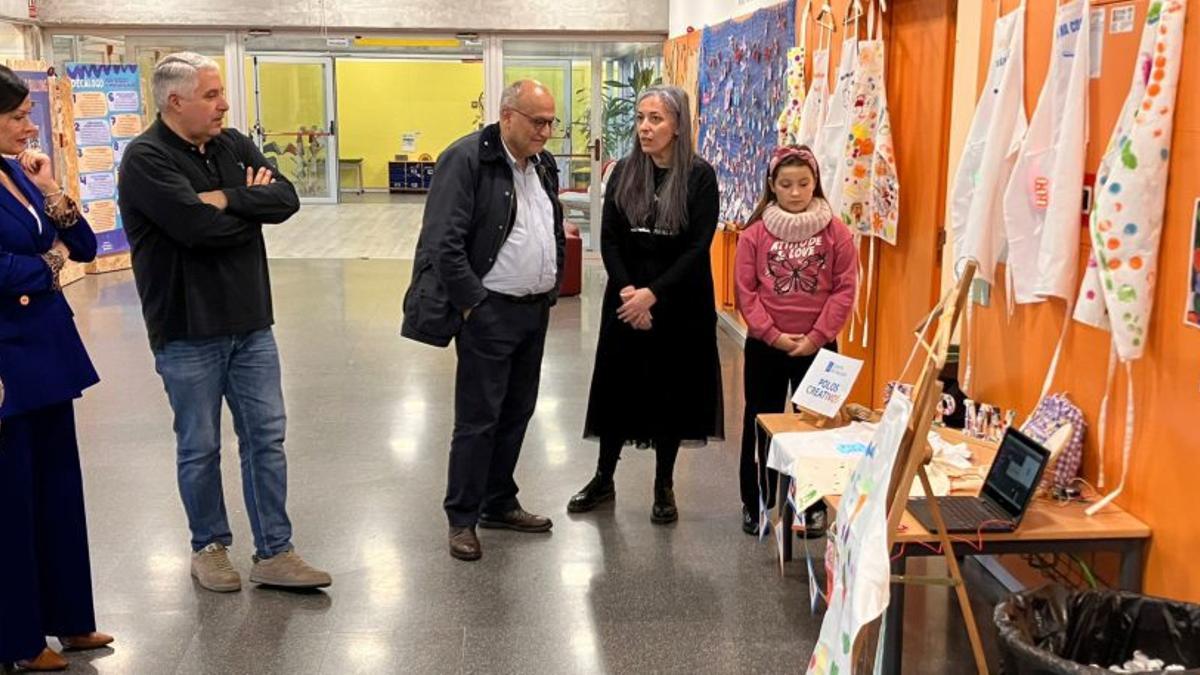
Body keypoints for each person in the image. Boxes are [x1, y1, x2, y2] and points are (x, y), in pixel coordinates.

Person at [118, 52, 330, 592]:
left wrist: (226, 199)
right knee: (200, 445)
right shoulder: (145, 159)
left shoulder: (231, 143)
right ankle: (208, 547)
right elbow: (196, 230)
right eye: (211, 95)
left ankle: (275, 552)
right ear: (175, 101)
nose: (224, 104)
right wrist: (247, 207)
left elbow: (284, 199)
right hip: (187, 330)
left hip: (251, 322)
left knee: (267, 438)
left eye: (221, 94)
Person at [402, 80, 565, 562]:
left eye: (551, 122)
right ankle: (462, 517)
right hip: (489, 311)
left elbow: (548, 226)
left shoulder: (543, 164)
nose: (546, 131)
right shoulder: (467, 158)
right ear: (507, 116)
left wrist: (549, 287)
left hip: (532, 310)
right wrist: (475, 304)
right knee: (478, 419)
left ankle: (499, 501)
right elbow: (442, 241)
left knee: (517, 412)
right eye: (538, 121)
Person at [0, 65, 114, 671]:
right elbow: (7, 271)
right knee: (11, 503)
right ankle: (18, 640)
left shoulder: (19, 172)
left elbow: (88, 247)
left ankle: (70, 620)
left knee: (57, 493)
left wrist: (51, 193)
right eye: (16, 116)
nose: (28, 125)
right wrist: (48, 261)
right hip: (7, 363)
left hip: (47, 355)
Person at [568, 85, 723, 524]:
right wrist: (628, 293)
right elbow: (610, 238)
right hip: (626, 299)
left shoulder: (699, 176)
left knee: (670, 393)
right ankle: (603, 477)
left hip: (679, 302)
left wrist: (652, 295)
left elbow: (697, 247)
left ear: (678, 126)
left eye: (655, 119)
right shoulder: (622, 173)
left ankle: (663, 485)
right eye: (640, 118)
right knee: (617, 389)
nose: (644, 128)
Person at [733, 145, 856, 536]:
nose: (796, 192)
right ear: (772, 186)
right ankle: (756, 503)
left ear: (816, 182)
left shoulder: (837, 233)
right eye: (786, 185)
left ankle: (812, 505)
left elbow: (844, 289)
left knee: (817, 429)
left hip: (818, 350)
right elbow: (746, 291)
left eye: (804, 183)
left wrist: (817, 337)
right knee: (761, 424)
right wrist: (774, 335)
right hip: (767, 348)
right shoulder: (754, 235)